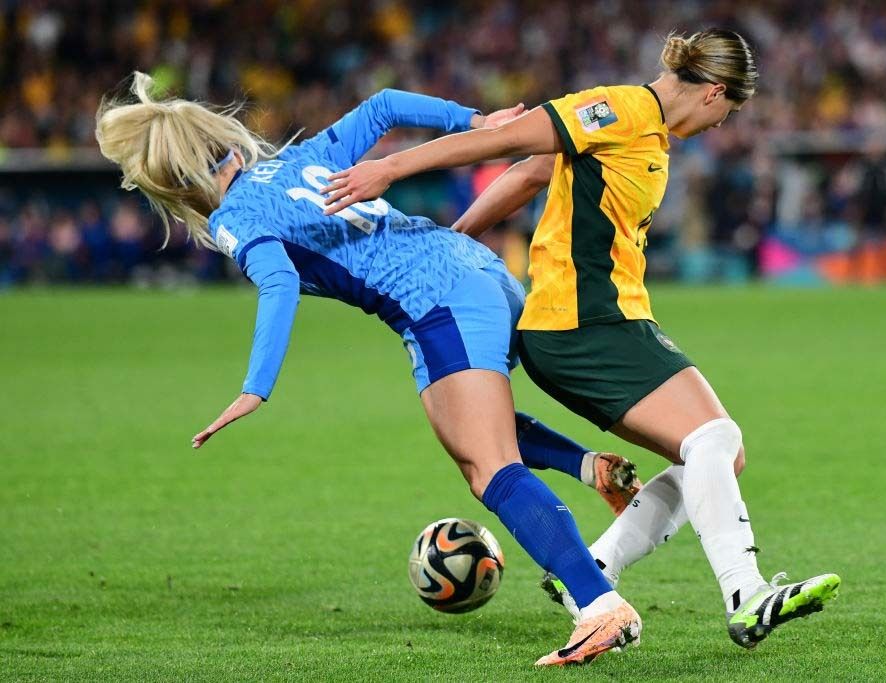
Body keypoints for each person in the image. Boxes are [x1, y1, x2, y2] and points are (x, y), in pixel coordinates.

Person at [95, 72, 643, 667]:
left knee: (490, 470)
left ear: (175, 187)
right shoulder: (299, 160)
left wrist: (256, 388)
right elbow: (383, 107)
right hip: (476, 268)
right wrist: (476, 120)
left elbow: (278, 282)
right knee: (470, 429)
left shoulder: (235, 217)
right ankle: (589, 467)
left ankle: (599, 607)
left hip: (436, 302)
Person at [321, 28, 841, 650]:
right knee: (713, 438)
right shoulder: (619, 110)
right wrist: (392, 167)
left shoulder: (644, 132)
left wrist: (454, 241)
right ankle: (745, 592)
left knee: (718, 455)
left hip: (610, 319)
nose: (723, 126)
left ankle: (591, 573)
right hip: (581, 323)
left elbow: (530, 173)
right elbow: (508, 139)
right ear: (715, 93)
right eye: (729, 113)